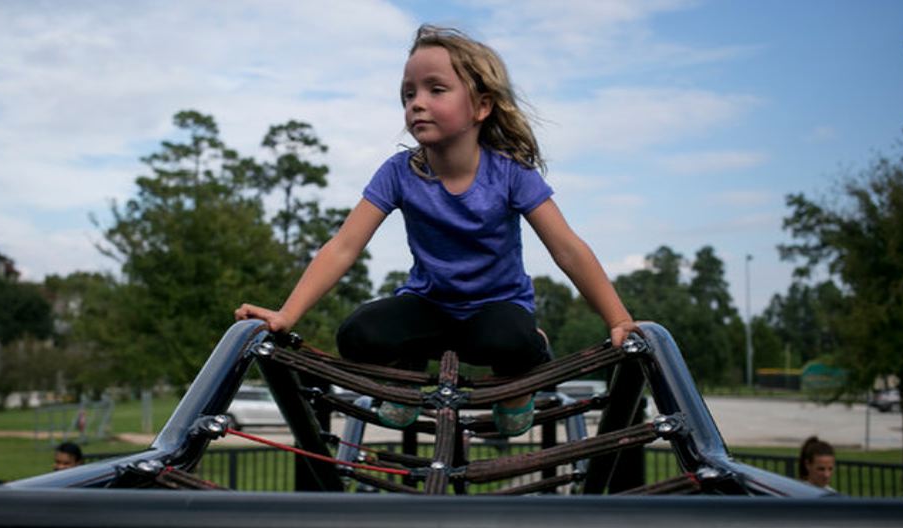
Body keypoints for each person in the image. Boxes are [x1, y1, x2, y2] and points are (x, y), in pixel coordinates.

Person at [236, 25, 635, 436]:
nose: (417, 104)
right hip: (428, 304)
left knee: (508, 340)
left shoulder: (510, 173)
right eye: (408, 94)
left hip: (494, 308)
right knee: (358, 334)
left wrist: (618, 318)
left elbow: (567, 248)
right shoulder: (399, 172)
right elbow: (344, 246)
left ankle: (518, 379)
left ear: (481, 106)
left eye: (436, 90)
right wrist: (287, 314)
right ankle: (404, 373)